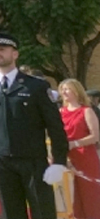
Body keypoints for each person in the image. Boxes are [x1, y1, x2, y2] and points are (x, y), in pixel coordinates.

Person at [0, 32, 68, 219]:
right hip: (1, 161)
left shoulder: (36, 86)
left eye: (2, 49)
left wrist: (59, 161)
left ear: (15, 54)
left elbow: (55, 126)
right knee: (10, 213)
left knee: (43, 211)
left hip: (32, 160)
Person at [59, 79, 100, 219]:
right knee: (71, 198)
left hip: (85, 157)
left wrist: (75, 143)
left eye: (67, 89)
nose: (63, 92)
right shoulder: (60, 112)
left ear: (76, 91)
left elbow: (95, 136)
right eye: (62, 89)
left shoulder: (86, 111)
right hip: (67, 157)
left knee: (89, 197)